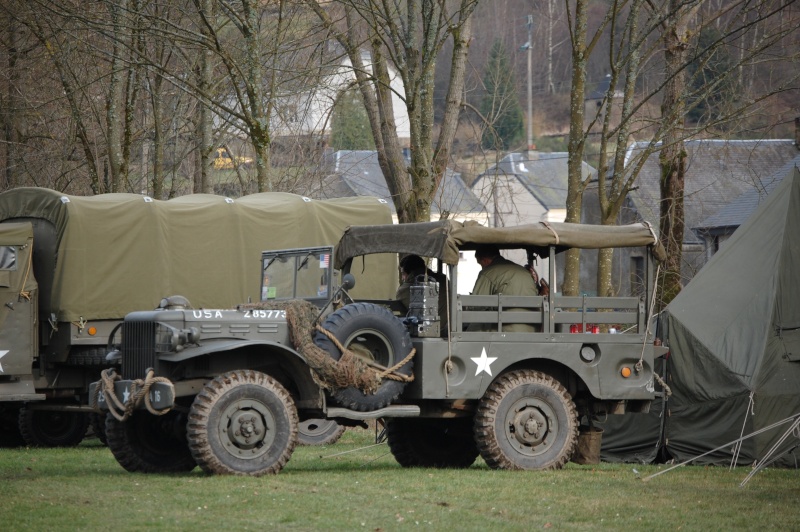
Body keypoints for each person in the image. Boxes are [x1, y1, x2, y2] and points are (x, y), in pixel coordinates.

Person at [470, 244, 538, 332]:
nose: (481, 266)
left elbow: (476, 305)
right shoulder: (523, 271)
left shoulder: (487, 273)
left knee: (473, 327)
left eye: (480, 263)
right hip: (531, 329)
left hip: (505, 330)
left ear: (485, 260)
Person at [396, 254, 449, 334]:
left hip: (427, 331)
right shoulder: (443, 279)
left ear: (410, 272)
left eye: (403, 274)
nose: (403, 278)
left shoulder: (404, 290)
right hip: (447, 328)